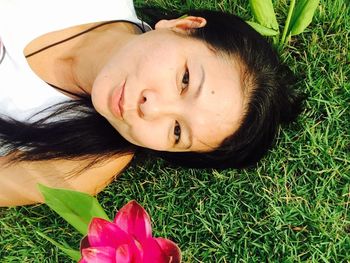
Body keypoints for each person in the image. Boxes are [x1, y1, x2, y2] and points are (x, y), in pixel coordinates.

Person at [0, 0, 303, 206]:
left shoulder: (78, 168)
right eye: (185, 80)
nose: (152, 109)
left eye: (176, 132)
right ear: (183, 26)